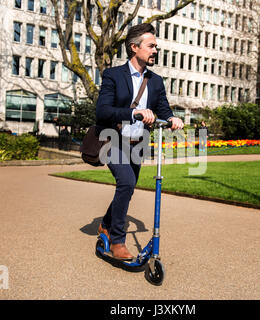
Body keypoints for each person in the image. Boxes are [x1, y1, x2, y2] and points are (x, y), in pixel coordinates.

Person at [95, 23, 184, 260]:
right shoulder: (113, 75)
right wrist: (133, 113)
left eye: (156, 46)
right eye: (151, 45)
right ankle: (117, 240)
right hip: (113, 140)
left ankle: (105, 223)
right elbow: (102, 111)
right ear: (134, 47)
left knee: (129, 187)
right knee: (125, 183)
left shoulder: (155, 81)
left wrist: (172, 118)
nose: (156, 50)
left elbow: (163, 108)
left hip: (137, 144)